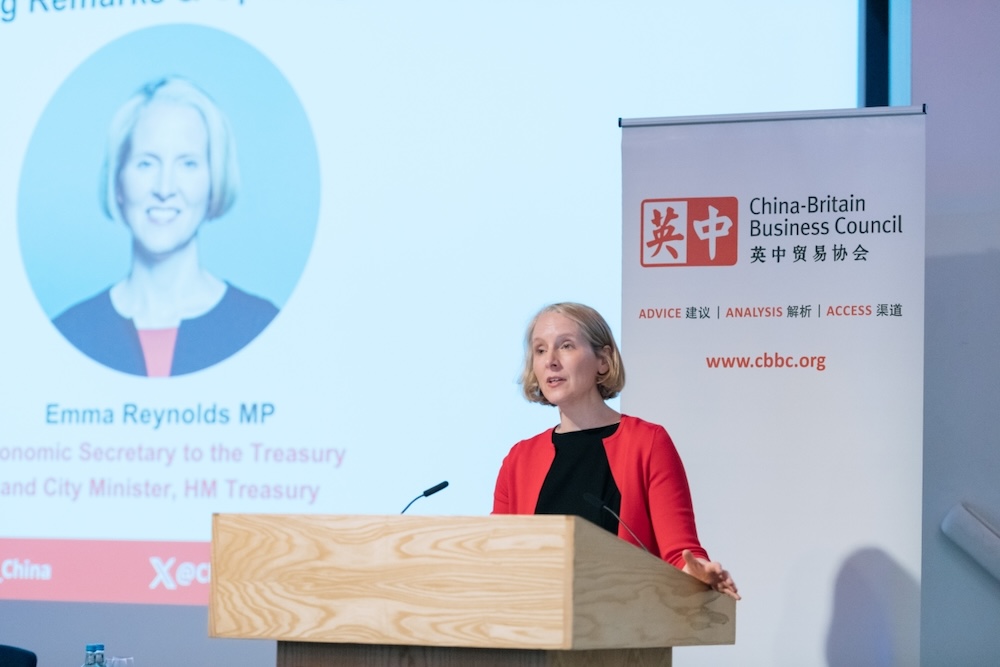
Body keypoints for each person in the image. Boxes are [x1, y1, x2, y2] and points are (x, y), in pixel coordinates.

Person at [493, 302, 740, 600]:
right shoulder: (519, 460)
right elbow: (496, 557)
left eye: (566, 346)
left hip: (623, 617)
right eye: (540, 350)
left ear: (603, 360)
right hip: (535, 617)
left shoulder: (647, 442)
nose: (551, 361)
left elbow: (680, 555)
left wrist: (700, 573)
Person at [53, 77, 277, 377]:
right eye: (146, 163)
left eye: (188, 164)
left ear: (214, 181)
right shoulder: (67, 335)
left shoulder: (264, 329)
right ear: (118, 182)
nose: (164, 188)